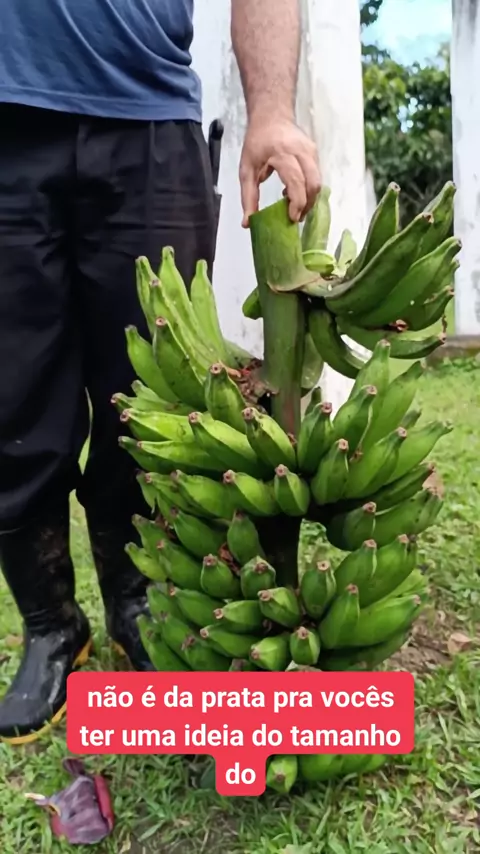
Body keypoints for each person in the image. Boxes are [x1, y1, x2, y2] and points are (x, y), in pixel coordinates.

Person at [0, 0, 321, 743]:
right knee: (12, 404)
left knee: (155, 400)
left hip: (149, 117)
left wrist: (272, 111)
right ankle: (51, 626)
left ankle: (138, 606)